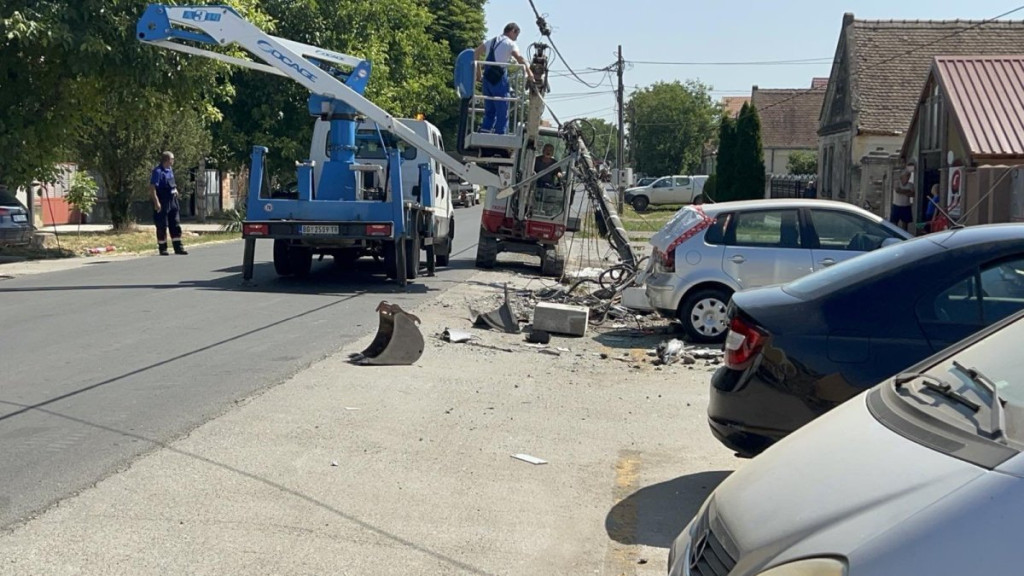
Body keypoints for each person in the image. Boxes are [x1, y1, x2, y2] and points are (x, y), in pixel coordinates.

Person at [474, 22, 534, 135]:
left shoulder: (491, 41)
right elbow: (519, 58)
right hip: (498, 79)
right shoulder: (510, 43)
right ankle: (500, 133)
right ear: (513, 31)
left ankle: (485, 130)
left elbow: (476, 53)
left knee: (489, 109)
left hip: (487, 78)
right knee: (502, 109)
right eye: (516, 35)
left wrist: (478, 74)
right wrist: (529, 72)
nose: (516, 38)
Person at [149, 151, 187, 255]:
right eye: (172, 159)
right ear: (167, 160)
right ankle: (163, 248)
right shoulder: (157, 171)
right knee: (162, 225)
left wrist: (176, 190)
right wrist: (157, 202)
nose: (173, 161)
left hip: (172, 200)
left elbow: (172, 182)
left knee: (175, 223)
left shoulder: (170, 169)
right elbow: (152, 188)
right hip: (163, 200)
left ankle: (178, 247)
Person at [890, 162, 915, 232]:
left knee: (905, 223)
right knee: (894, 223)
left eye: (909, 176)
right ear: (902, 176)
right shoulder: (897, 182)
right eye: (907, 175)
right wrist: (907, 191)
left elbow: (913, 194)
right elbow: (898, 190)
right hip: (896, 205)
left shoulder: (911, 185)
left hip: (906, 206)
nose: (908, 177)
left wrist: (904, 191)